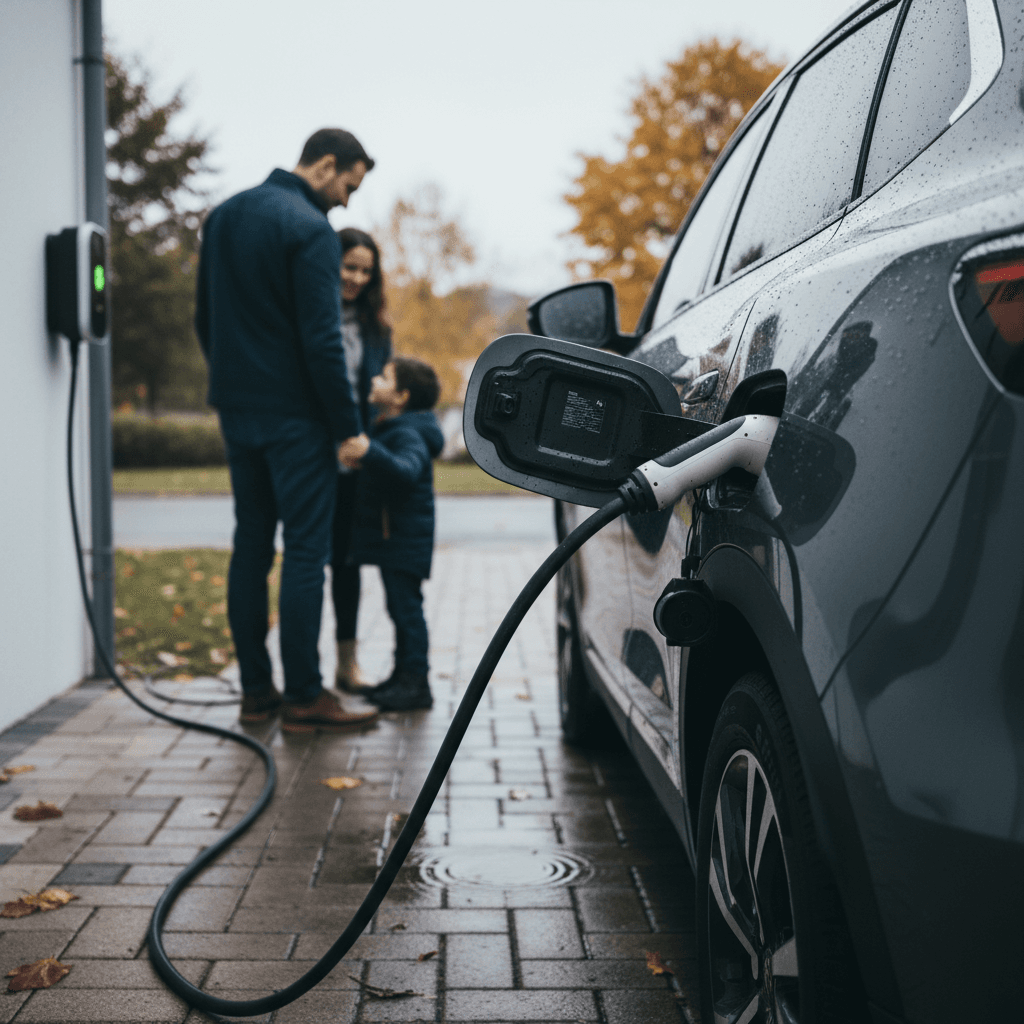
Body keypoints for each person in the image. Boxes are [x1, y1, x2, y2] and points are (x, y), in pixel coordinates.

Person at [194, 128, 378, 732]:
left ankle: (255, 693)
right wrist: (347, 427)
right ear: (325, 165)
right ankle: (303, 696)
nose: (348, 201)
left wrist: (234, 383)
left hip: (238, 411)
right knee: (305, 549)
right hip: (297, 420)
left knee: (250, 545)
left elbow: (205, 319)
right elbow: (323, 341)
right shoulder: (308, 230)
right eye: (349, 184)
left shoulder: (223, 217)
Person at [339, 357, 444, 711]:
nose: (374, 379)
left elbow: (405, 471)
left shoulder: (408, 432)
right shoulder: (392, 426)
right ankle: (402, 678)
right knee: (398, 608)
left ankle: (417, 684)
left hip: (404, 540)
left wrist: (372, 453)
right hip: (396, 539)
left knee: (406, 611)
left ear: (401, 396)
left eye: (384, 377)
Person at [329, 228, 391, 692]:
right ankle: (301, 669)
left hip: (357, 460)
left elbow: (378, 395)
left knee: (347, 563)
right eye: (349, 266)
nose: (356, 277)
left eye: (365, 270)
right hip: (314, 454)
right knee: (311, 561)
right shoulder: (313, 316)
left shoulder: (377, 329)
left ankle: (346, 664)